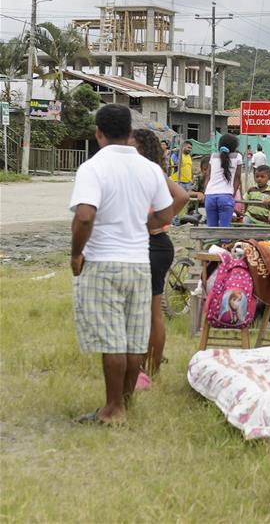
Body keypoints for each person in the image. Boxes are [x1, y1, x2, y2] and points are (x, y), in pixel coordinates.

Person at [69, 103, 174, 426]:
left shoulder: (93, 167)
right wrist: (139, 227)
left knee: (112, 340)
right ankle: (124, 405)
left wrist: (76, 254)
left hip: (103, 262)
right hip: (139, 263)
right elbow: (167, 213)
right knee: (132, 338)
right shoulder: (150, 169)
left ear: (98, 133)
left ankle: (112, 409)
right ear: (130, 131)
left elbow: (85, 216)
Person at [130, 130, 189, 382]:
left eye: (132, 145)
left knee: (152, 311)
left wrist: (156, 221)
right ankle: (145, 364)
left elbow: (183, 196)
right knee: (145, 311)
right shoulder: (146, 171)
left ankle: (151, 369)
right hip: (153, 244)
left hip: (154, 243)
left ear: (143, 148)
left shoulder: (152, 172)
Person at [203, 133, 242, 227]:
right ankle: (225, 241)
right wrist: (233, 194)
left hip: (210, 195)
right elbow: (237, 178)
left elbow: (208, 176)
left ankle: (211, 242)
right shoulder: (238, 157)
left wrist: (206, 192)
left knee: (212, 229)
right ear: (234, 147)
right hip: (226, 196)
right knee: (225, 230)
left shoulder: (213, 156)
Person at [171, 141, 193, 226]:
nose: (189, 149)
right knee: (176, 202)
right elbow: (176, 164)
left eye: (190, 148)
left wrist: (192, 179)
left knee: (183, 203)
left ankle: (179, 220)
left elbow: (190, 168)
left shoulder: (189, 157)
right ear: (183, 147)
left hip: (187, 182)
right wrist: (177, 153)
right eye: (188, 147)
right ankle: (174, 222)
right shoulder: (175, 155)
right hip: (177, 181)